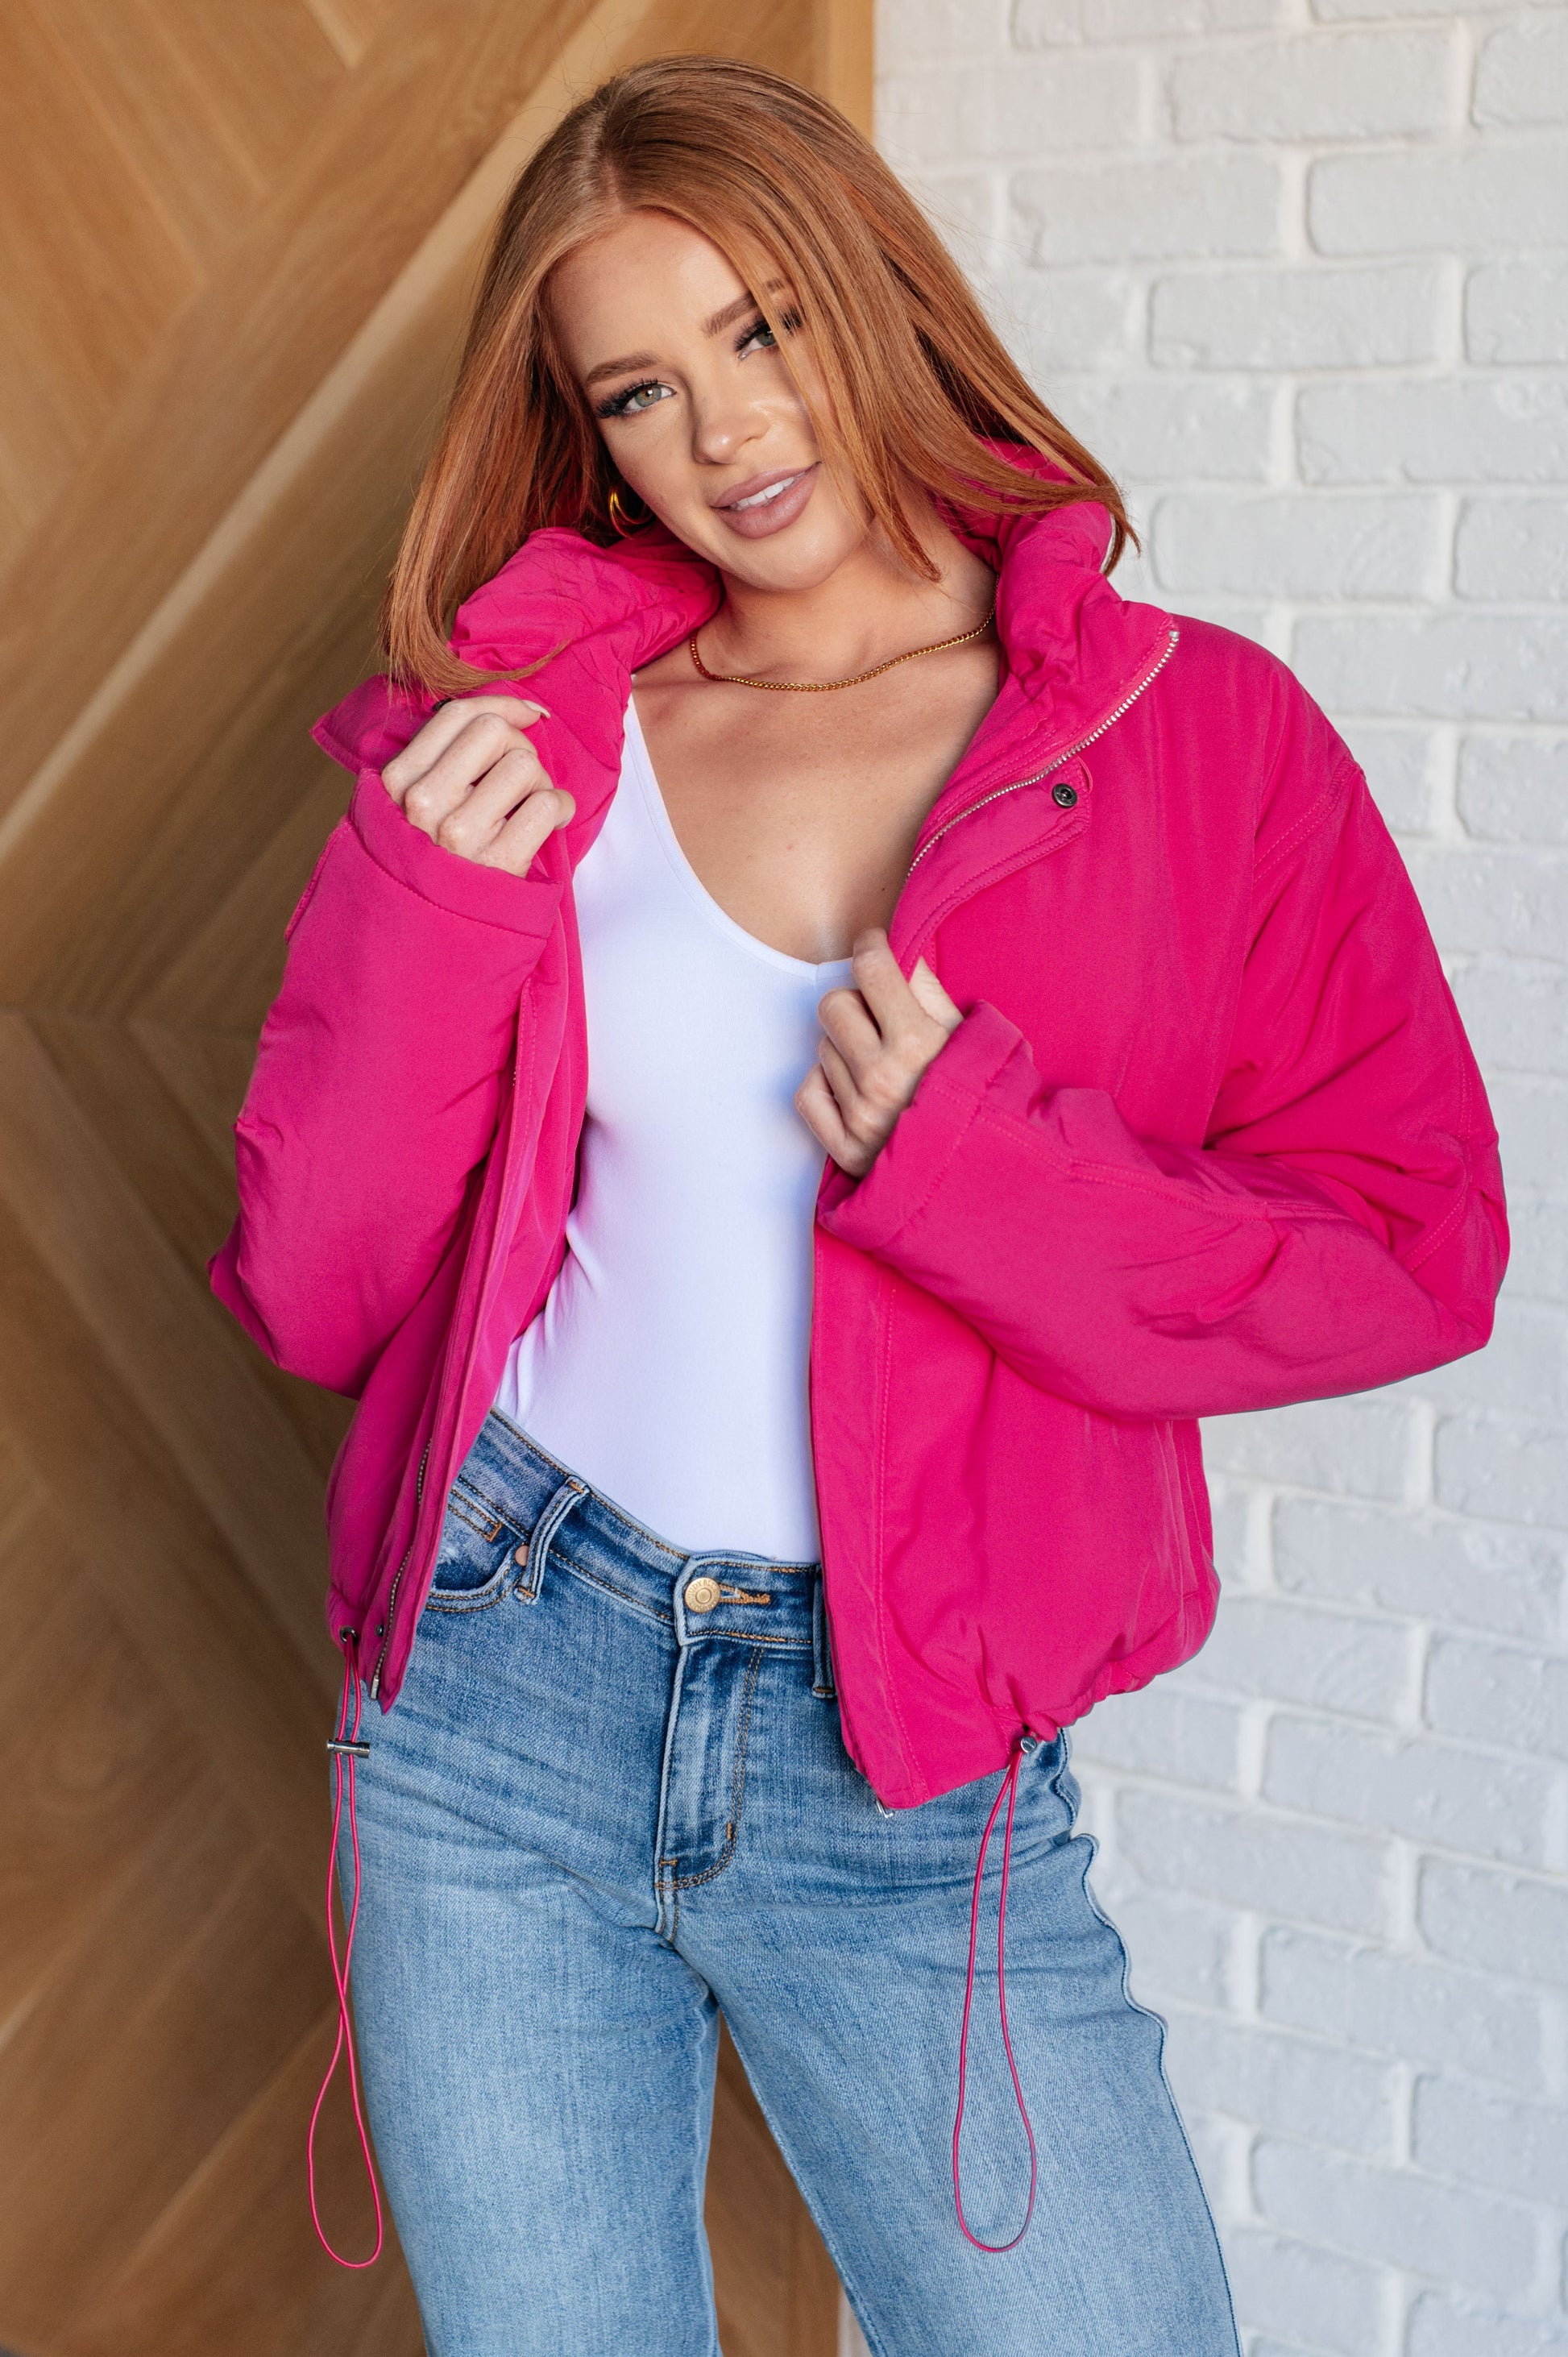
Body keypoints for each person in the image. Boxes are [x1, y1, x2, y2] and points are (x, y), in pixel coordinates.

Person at [211, 54, 1506, 2357]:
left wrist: (977, 1173)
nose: (722, 431)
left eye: (764, 326)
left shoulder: (1190, 738)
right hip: (498, 1694)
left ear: (878, 296)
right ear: (587, 433)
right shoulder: (538, 747)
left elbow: (1411, 1253)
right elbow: (317, 1296)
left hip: (903, 1771)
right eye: (638, 388)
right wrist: (420, 911)